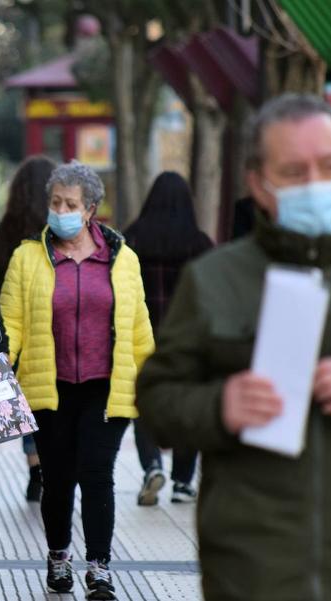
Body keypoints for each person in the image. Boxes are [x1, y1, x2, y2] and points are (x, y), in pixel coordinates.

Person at [136, 93, 331, 600]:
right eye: (295, 171)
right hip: (251, 571)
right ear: (259, 183)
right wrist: (221, 405)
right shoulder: (214, 279)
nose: (316, 183)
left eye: (330, 166)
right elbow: (157, 401)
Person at [0, 160, 153, 600]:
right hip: (49, 387)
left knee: (98, 472)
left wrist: (155, 386)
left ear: (90, 210)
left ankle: (100, 567)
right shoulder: (28, 257)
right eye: (55, 202)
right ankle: (59, 555)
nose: (60, 210)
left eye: (70, 204)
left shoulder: (122, 260)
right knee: (58, 475)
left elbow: (139, 327)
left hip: (106, 389)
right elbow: (10, 324)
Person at [124, 172, 214, 506]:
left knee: (142, 404)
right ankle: (182, 482)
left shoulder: (132, 237)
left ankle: (151, 468)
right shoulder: (199, 243)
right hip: (187, 341)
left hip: (141, 336)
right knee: (186, 407)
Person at [0, 155, 57, 502]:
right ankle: (52, 466)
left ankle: (35, 469)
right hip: (50, 333)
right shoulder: (56, 238)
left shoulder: (1, 237)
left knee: (25, 403)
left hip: (11, 334)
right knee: (49, 403)